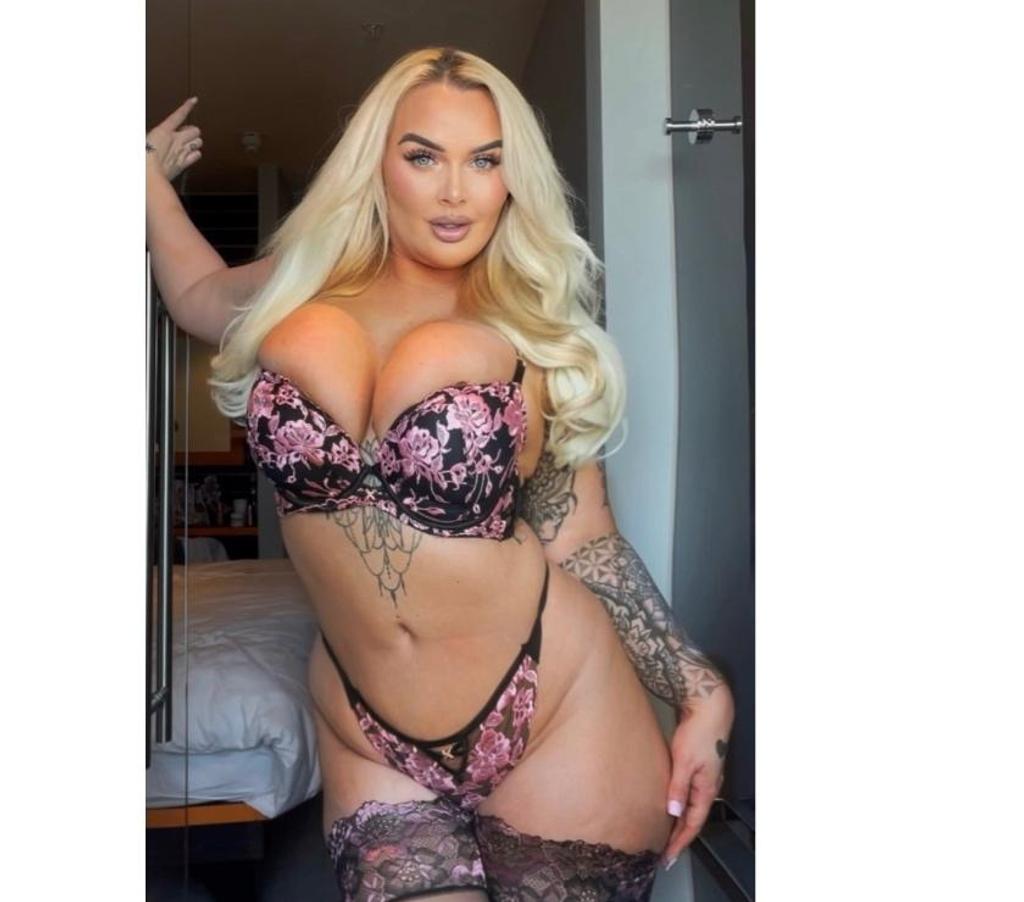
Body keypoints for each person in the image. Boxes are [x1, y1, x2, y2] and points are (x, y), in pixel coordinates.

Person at [146, 46, 734, 900]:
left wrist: (701, 690)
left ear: (512, 179)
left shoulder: (532, 324)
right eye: (424, 156)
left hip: (555, 704)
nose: (456, 191)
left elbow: (583, 539)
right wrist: (147, 179)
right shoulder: (296, 287)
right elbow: (196, 289)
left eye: (485, 161)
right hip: (367, 724)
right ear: (376, 165)